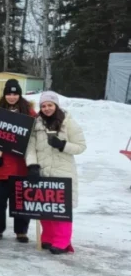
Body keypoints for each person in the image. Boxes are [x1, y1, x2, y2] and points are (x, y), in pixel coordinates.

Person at [25, 91, 86, 254]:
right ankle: (48, 237)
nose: (47, 108)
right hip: (43, 171)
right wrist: (32, 165)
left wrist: (63, 145)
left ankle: (62, 241)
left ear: (56, 105)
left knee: (61, 209)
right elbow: (30, 147)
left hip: (62, 171)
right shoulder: (36, 124)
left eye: (50, 105)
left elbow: (81, 146)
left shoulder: (68, 122)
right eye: (43, 106)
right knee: (45, 207)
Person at [0, 79, 37, 243]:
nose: (12, 97)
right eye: (9, 94)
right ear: (5, 95)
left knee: (21, 200)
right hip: (2, 165)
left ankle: (21, 231)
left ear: (19, 95)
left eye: (15, 94)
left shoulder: (30, 113)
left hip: (22, 165)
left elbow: (36, 137)